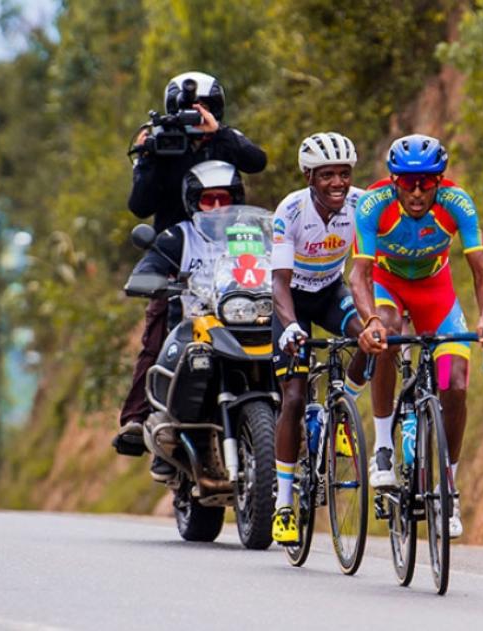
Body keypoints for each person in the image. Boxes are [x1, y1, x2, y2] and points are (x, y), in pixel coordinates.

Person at [350, 133, 483, 539]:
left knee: (455, 384)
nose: (417, 192)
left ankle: (448, 486)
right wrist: (370, 321)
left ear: (440, 180)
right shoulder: (373, 204)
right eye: (407, 183)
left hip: (436, 291)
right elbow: (359, 274)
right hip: (387, 285)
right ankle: (383, 446)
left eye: (426, 183)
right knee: (386, 333)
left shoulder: (457, 203)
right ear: (393, 180)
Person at [116, 71, 267, 452]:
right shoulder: (159, 143)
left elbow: (257, 161)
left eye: (204, 108)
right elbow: (139, 205)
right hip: (176, 253)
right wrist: (149, 156)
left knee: (265, 318)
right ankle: (140, 418)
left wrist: (219, 134)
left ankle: (281, 406)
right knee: (159, 331)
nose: (195, 116)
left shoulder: (226, 140)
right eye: (188, 109)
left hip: (230, 251)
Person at [269, 132, 369, 544]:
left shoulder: (362, 205)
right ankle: (284, 505)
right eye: (327, 175)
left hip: (330, 293)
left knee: (371, 340)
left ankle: (342, 411)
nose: (337, 183)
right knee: (293, 398)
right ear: (309, 176)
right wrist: (290, 325)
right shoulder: (290, 211)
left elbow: (370, 267)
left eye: (344, 173)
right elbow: (279, 282)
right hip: (292, 301)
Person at [124, 160, 246, 480]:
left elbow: (279, 262)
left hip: (245, 324)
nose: (217, 207)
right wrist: (151, 279)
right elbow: (149, 265)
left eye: (223, 198)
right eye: (208, 199)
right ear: (194, 202)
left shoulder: (252, 235)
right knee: (170, 356)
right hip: (193, 327)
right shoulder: (179, 236)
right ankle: (169, 440)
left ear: (236, 199)